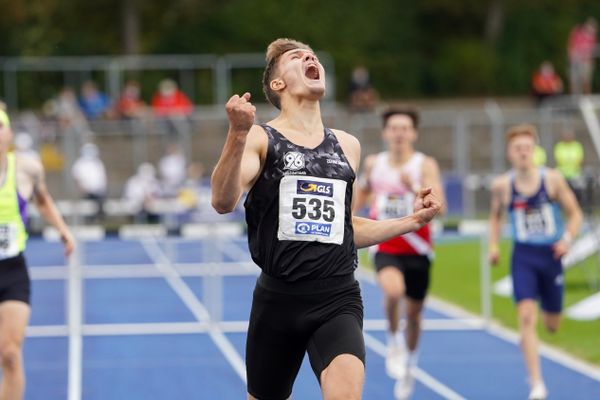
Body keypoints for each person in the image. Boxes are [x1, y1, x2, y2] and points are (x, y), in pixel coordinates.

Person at [211, 38, 442, 400]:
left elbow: (346, 228)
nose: (309, 57)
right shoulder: (261, 138)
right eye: (295, 57)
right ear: (277, 84)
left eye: (311, 54)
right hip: (278, 300)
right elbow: (223, 201)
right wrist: (237, 134)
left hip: (337, 297)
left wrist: (411, 222)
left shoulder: (346, 145)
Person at [352, 107, 446, 399]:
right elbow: (363, 192)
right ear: (385, 133)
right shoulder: (374, 163)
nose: (399, 133)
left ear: (413, 133)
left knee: (415, 315)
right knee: (393, 292)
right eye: (394, 128)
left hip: (418, 247)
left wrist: (413, 186)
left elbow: (439, 202)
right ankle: (393, 339)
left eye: (405, 128)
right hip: (386, 243)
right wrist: (346, 216)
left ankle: (410, 365)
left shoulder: (424, 164)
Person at [488, 124, 582, 400]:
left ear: (535, 151)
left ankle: (532, 334)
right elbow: (495, 218)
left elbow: (575, 214)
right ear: (509, 153)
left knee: (552, 324)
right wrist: (494, 245)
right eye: (518, 149)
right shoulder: (502, 186)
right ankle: (537, 384)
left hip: (552, 256)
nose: (523, 153)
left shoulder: (552, 180)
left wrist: (566, 239)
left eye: (527, 148)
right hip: (524, 256)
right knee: (526, 317)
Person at [0, 108, 75, 399]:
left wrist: (63, 230)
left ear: (8, 133)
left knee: (9, 353)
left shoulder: (26, 168)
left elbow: (43, 201)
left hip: (12, 272)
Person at [71, 143, 107, 222]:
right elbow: (78, 178)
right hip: (87, 193)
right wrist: (83, 189)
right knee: (88, 211)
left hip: (98, 192)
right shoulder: (80, 163)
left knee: (101, 204)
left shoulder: (98, 163)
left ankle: (99, 219)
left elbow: (101, 179)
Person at [553, 129, 584, 207]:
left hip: (575, 173)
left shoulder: (577, 146)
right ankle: (561, 207)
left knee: (577, 191)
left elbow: (580, 159)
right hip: (563, 173)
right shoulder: (559, 146)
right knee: (561, 191)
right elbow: (559, 160)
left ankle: (577, 206)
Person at [567, 18, 597, 95]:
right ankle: (574, 97)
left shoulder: (592, 37)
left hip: (586, 62)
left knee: (585, 80)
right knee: (574, 81)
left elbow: (592, 50)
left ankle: (586, 97)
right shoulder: (578, 34)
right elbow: (571, 45)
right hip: (576, 61)